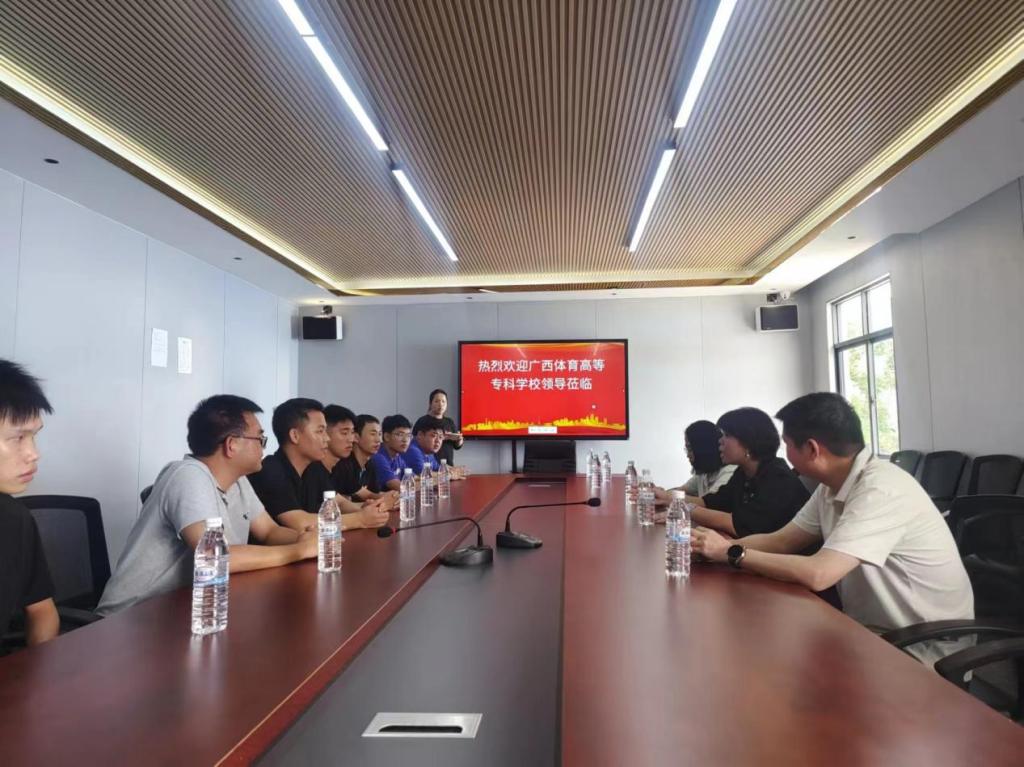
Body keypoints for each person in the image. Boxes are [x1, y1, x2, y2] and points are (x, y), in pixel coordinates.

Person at [692, 393, 973, 665]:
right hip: (868, 632)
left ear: (812, 449)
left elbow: (819, 574)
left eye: (787, 444)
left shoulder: (881, 489)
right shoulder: (830, 487)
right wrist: (712, 548)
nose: (783, 453)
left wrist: (731, 553)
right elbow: (781, 541)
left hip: (922, 646)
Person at [97, 395, 318, 615]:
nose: (263, 447)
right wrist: (296, 551)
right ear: (232, 445)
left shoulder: (238, 481)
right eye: (260, 439)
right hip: (130, 618)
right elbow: (216, 558)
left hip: (188, 610)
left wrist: (309, 539)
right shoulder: (187, 476)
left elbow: (269, 531)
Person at [247, 399, 390, 533]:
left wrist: (367, 509)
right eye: (320, 431)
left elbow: (339, 503)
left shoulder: (314, 468)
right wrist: (360, 519)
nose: (327, 438)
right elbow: (299, 522)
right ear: (295, 436)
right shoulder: (271, 470)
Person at [0, 360, 58, 647]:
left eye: (33, 436)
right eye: (18, 437)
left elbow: (42, 610)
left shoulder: (14, 519)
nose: (33, 454)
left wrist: (37, 668)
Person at [688, 407, 809, 537]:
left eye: (726, 435)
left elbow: (738, 525)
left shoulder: (779, 478)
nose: (720, 441)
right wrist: (674, 499)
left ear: (748, 442)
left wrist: (683, 508)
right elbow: (712, 503)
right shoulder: (743, 472)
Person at [655, 420, 736, 504]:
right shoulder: (704, 473)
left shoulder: (729, 472)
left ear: (703, 449)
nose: (687, 455)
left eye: (690, 449)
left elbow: (707, 503)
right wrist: (662, 493)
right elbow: (681, 490)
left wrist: (667, 496)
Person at [371, 415, 412, 491]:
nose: (405, 440)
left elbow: (414, 479)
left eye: (408, 435)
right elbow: (399, 487)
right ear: (387, 437)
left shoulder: (397, 457)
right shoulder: (378, 457)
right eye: (400, 434)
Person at [351, 414, 387, 500]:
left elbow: (375, 492)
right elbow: (370, 496)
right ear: (356, 437)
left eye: (379, 434)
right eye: (373, 434)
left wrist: (394, 495)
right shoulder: (345, 464)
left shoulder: (370, 463)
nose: (379, 440)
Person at [426, 389, 463, 467]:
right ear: (430, 404)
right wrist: (443, 437)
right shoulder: (423, 421)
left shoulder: (449, 422)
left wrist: (459, 439)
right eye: (437, 401)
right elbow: (417, 443)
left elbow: (457, 446)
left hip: (448, 467)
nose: (441, 404)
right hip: (429, 467)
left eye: (443, 401)